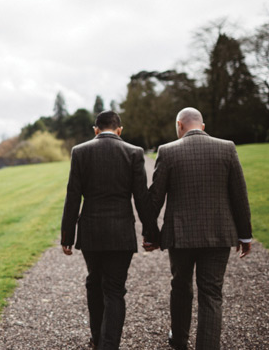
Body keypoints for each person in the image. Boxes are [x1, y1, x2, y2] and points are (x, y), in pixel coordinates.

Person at [146, 107, 252, 350]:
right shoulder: (227, 148)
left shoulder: (168, 151)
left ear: (179, 125)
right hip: (218, 235)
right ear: (202, 126)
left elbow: (155, 198)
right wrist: (244, 235)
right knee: (212, 294)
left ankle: (180, 340)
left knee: (180, 286)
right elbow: (239, 195)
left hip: (180, 235)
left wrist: (151, 235)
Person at [61, 110, 159, 350]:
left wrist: (67, 237)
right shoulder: (133, 152)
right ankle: (109, 345)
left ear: (95, 130)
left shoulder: (80, 152)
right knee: (114, 289)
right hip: (121, 232)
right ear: (119, 130)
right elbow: (141, 198)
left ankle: (97, 338)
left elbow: (73, 196)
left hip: (91, 232)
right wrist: (150, 233)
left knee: (94, 282)